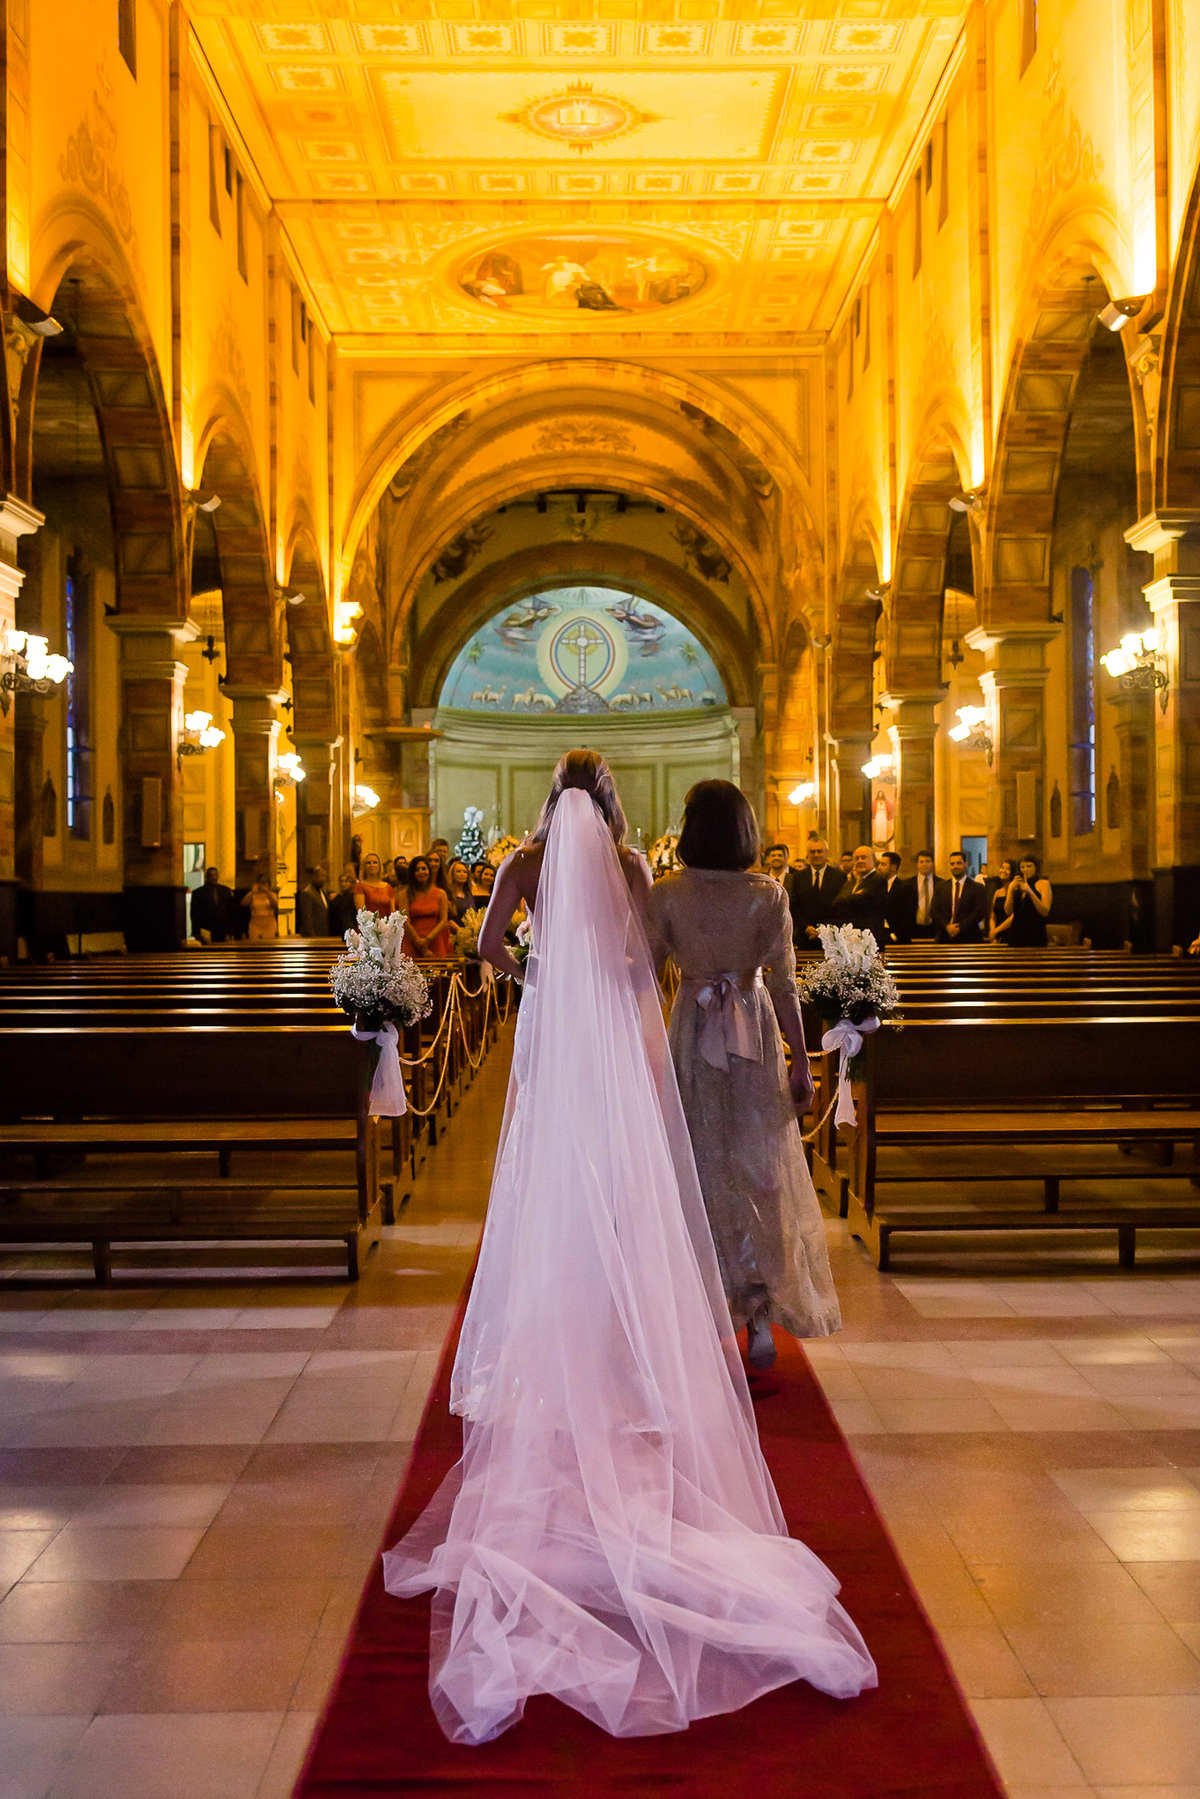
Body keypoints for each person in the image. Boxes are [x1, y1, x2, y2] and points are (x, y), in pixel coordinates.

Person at [382, 749, 876, 1746]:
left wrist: (541, 976)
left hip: (556, 1043)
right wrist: (625, 1005)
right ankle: (675, 1318)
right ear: (611, 804)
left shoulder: (522, 863)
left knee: (549, 1182)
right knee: (657, 1186)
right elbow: (640, 970)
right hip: (628, 1037)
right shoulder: (635, 867)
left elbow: (491, 952)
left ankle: (567, 1325)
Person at [644, 778, 841, 1375]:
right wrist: (802, 1061)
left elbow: (647, 980)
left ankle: (700, 1309)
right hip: (754, 1035)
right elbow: (783, 983)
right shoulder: (768, 894)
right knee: (760, 1171)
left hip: (689, 1032)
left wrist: (640, 1054)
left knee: (696, 1166)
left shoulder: (666, 894)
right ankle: (755, 1312)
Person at [789, 837, 846, 946]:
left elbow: (840, 907)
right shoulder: (798, 877)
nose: (816, 855)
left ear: (826, 853)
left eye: (819, 851)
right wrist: (805, 927)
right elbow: (795, 906)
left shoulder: (839, 876)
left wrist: (824, 929)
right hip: (804, 937)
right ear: (808, 855)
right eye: (812, 852)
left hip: (831, 938)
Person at [831, 844, 890, 949]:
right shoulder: (851, 883)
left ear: (874, 860)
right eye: (856, 858)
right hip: (851, 940)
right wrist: (853, 897)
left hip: (870, 939)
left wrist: (849, 898)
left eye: (863, 857)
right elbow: (836, 902)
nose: (859, 861)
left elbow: (862, 900)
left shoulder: (878, 880)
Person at [402, 855, 453, 959]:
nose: (421, 872)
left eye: (424, 868)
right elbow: (405, 921)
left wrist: (428, 939)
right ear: (412, 873)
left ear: (429, 871)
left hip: (435, 940)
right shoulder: (405, 894)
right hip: (412, 941)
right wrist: (420, 944)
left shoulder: (441, 893)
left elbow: (444, 920)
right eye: (417, 870)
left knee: (438, 973)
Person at [932, 849, 988, 944]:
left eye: (958, 863)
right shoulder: (941, 887)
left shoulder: (977, 887)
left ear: (966, 864)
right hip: (945, 937)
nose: (955, 866)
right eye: (952, 864)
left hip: (970, 937)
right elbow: (934, 910)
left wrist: (960, 927)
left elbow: (979, 912)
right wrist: (946, 926)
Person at [1004, 855, 1052, 946]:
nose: (1025, 869)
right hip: (1016, 932)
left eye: (1029, 866)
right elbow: (1008, 911)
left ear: (1036, 868)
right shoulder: (1016, 884)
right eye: (1022, 867)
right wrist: (1010, 889)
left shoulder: (1043, 883)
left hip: (1036, 932)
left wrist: (1030, 891)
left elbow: (1045, 911)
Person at [190, 866, 234, 944]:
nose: (214, 877)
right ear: (207, 877)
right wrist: (197, 932)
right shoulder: (199, 893)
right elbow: (195, 913)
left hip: (223, 929)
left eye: (215, 875)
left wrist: (230, 930)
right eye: (211, 875)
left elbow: (230, 911)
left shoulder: (225, 891)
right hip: (206, 929)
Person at [879, 850, 915, 945]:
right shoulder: (876, 886)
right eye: (879, 864)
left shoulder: (905, 888)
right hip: (880, 936)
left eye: (883, 864)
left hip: (897, 938)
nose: (879, 867)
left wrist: (895, 935)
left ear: (893, 867)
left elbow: (909, 915)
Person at [907, 850, 943, 941]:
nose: (924, 864)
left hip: (935, 928)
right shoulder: (907, 884)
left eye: (927, 861)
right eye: (921, 862)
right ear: (917, 864)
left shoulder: (942, 884)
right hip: (913, 928)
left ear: (933, 863)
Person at [354, 851, 395, 918]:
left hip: (387, 926)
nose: (372, 865)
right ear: (364, 866)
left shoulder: (388, 887)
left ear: (379, 866)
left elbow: (392, 912)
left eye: (375, 862)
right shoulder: (360, 886)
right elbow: (361, 912)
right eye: (368, 863)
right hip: (367, 926)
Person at [241, 867, 278, 940]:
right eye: (261, 882)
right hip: (255, 923)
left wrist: (267, 892)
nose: (263, 884)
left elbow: (275, 905)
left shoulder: (272, 894)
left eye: (265, 882)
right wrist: (252, 892)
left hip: (269, 923)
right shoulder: (253, 895)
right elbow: (243, 903)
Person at [295, 864, 330, 937]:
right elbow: (307, 918)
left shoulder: (322, 892)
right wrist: (312, 937)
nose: (324, 879)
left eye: (325, 876)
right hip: (313, 935)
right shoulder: (307, 893)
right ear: (314, 876)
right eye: (322, 876)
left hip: (324, 934)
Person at [326, 865, 358, 941]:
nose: (344, 884)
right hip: (336, 931)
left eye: (346, 881)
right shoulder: (336, 898)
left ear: (351, 883)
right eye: (342, 881)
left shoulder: (354, 898)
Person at [988, 859, 1015, 942]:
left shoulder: (1016, 890)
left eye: (1008, 869)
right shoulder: (997, 892)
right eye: (1002, 867)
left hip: (1012, 933)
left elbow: (1014, 916)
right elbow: (993, 915)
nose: (1004, 871)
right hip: (996, 934)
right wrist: (993, 932)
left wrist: (996, 931)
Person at [445, 856, 474, 922]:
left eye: (465, 872)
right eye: (458, 871)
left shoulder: (469, 894)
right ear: (452, 874)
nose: (462, 874)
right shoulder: (448, 894)